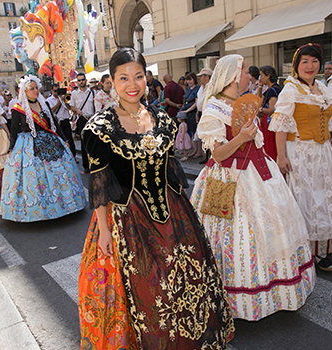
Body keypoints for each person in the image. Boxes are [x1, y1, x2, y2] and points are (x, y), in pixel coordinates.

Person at [78, 47, 234, 349]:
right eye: (123, 78)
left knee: (183, 282)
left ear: (146, 79)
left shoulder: (163, 119)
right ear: (111, 80)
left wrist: (187, 213)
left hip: (173, 216)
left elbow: (171, 170)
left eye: (138, 76)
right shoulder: (100, 127)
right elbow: (99, 183)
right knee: (148, 288)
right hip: (127, 219)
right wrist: (105, 231)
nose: (132, 84)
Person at [190, 54, 315, 321]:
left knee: (275, 227)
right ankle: (237, 297)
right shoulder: (213, 109)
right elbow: (219, 155)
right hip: (229, 181)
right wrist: (243, 138)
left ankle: (276, 290)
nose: (250, 75)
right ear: (234, 76)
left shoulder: (242, 103)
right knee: (234, 237)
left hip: (260, 174)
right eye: (246, 70)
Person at [269, 43, 332, 271]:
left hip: (323, 152)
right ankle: (306, 251)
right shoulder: (291, 89)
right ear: (296, 65)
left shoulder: (323, 88)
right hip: (300, 152)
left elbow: (328, 123)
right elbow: (280, 126)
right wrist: (281, 156)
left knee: (325, 198)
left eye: (314, 61)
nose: (310, 66)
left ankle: (323, 249)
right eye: (304, 61)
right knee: (306, 199)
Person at [0, 75, 86, 222]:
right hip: (28, 144)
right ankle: (41, 209)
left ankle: (65, 204)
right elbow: (13, 130)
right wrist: (11, 148)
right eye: (31, 89)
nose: (35, 91)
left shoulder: (44, 104)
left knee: (58, 174)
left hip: (50, 140)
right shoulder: (18, 109)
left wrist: (64, 139)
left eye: (36, 88)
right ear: (24, 91)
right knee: (35, 178)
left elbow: (54, 124)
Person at [70, 72, 95, 173]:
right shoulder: (74, 94)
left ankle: (94, 163)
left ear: (86, 80)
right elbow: (71, 106)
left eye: (82, 80)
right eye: (79, 80)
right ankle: (86, 165)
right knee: (84, 142)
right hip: (82, 119)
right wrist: (76, 110)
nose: (81, 82)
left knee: (93, 142)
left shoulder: (92, 92)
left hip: (92, 119)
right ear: (77, 82)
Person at [257, 65, 282, 161]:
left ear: (268, 76)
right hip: (267, 121)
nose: (260, 78)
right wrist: (260, 86)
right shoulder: (270, 89)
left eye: (262, 75)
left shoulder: (273, 90)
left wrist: (260, 110)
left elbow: (272, 109)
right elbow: (259, 100)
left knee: (270, 148)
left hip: (270, 122)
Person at [46, 83, 76, 159]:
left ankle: (73, 156)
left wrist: (66, 102)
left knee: (69, 139)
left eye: (58, 90)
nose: (57, 92)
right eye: (55, 91)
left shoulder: (64, 98)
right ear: (51, 90)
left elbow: (69, 108)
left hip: (65, 121)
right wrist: (59, 102)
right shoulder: (49, 100)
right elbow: (51, 110)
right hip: (57, 123)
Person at [194, 68, 212, 161]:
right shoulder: (201, 88)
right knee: (204, 136)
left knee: (209, 135)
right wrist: (197, 112)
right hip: (201, 112)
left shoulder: (211, 87)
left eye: (201, 76)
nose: (200, 78)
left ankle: (209, 157)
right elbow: (199, 101)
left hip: (208, 113)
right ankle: (206, 157)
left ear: (207, 77)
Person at [178, 72, 199, 140]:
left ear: (194, 79)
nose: (188, 82)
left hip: (193, 112)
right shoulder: (188, 89)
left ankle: (198, 149)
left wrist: (187, 110)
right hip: (187, 112)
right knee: (189, 131)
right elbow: (185, 100)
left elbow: (196, 103)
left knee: (195, 131)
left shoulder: (197, 88)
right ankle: (193, 148)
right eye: (187, 80)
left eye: (190, 80)